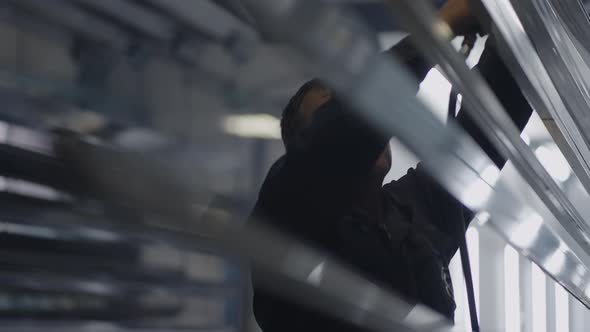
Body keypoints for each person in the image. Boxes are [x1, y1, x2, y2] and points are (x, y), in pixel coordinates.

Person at [249, 0, 532, 331]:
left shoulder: (412, 213)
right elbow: (345, 134)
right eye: (333, 107)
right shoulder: (286, 213)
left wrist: (519, 25)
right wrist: (435, 33)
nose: (373, 117)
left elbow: (483, 135)